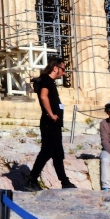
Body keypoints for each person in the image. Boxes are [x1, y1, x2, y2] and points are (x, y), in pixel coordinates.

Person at [27, 56, 76, 189]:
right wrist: (51, 114)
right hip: (50, 122)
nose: (64, 73)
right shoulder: (46, 80)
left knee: (58, 153)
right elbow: (43, 96)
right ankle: (32, 179)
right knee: (47, 151)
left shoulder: (49, 81)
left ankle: (64, 181)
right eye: (63, 69)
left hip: (54, 124)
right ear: (55, 68)